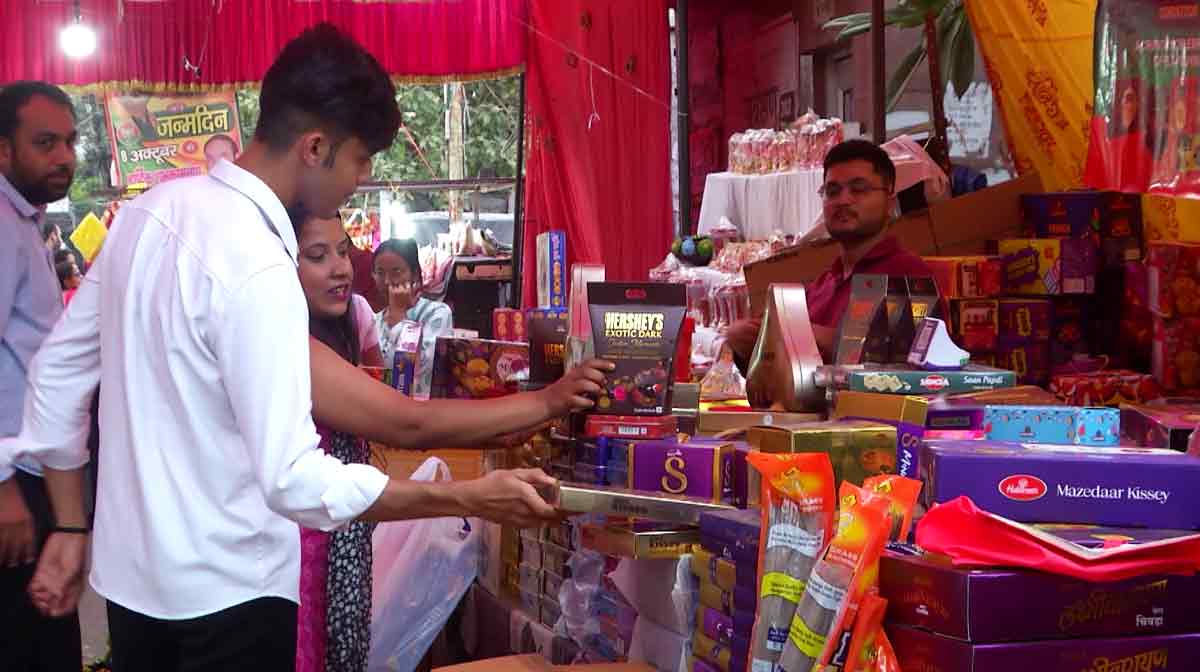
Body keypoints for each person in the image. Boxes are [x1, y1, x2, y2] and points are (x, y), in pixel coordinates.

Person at [2, 25, 608, 672]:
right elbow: (294, 478)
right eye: (361, 159)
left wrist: (71, 522)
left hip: (133, 589)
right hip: (230, 597)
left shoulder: (155, 210)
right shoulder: (258, 266)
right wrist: (464, 498)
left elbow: (58, 373)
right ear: (315, 147)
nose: (362, 179)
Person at [0, 80, 82, 672]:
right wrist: (3, 487)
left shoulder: (24, 221)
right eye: (44, 143)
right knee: (30, 645)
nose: (64, 157)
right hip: (14, 480)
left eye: (70, 142)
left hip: (35, 473)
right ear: (4, 150)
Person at [727, 139, 937, 365]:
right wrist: (746, 344)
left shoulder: (909, 275)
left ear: (889, 203)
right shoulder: (824, 283)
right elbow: (781, 369)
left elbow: (903, 361)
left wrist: (800, 332)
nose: (843, 200)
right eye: (832, 191)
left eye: (859, 189)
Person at [372, 238, 453, 398]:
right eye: (380, 273)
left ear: (414, 274)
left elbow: (421, 369)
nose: (387, 281)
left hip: (423, 413)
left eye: (396, 272)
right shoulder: (374, 321)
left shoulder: (437, 313)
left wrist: (398, 317)